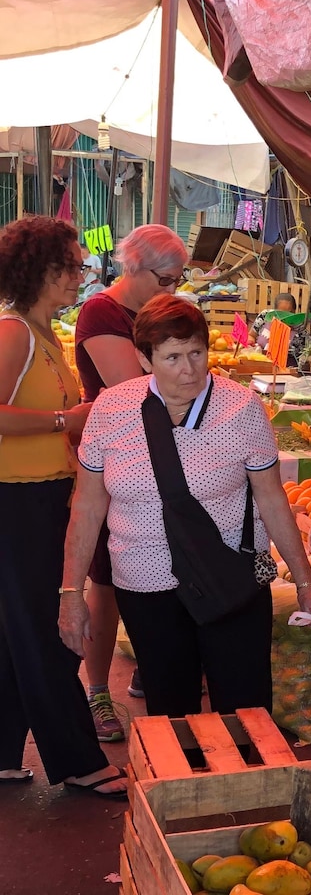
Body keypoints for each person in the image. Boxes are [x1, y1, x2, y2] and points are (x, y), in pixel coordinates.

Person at [59, 294, 311, 718]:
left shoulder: (242, 408)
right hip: (144, 582)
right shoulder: (112, 410)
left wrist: (305, 582)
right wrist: (71, 593)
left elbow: (272, 498)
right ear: (144, 359)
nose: (189, 370)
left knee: (245, 708)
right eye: (172, 357)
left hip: (232, 577)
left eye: (196, 353)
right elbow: (88, 506)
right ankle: (180, 780)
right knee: (170, 708)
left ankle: (244, 780)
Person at [0, 215, 127, 799]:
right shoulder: (14, 333)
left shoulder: (42, 330)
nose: (82, 275)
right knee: (47, 631)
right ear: (44, 270)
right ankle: (76, 757)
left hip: (46, 496)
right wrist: (63, 421)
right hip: (18, 504)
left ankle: (3, 751)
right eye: (74, 266)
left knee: (15, 633)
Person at [74, 223, 189, 739]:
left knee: (160, 567)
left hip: (159, 463)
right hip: (116, 463)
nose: (173, 289)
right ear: (134, 266)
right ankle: (97, 690)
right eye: (166, 278)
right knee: (107, 580)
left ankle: (155, 664)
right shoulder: (101, 312)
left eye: (179, 280)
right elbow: (136, 388)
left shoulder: (151, 312)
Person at [249, 292, 306, 367]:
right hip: (259, 362)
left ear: (294, 311)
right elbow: (251, 335)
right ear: (274, 311)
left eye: (289, 313)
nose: (285, 317)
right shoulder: (264, 316)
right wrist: (250, 344)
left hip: (284, 368)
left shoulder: (300, 328)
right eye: (281, 313)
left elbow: (304, 355)